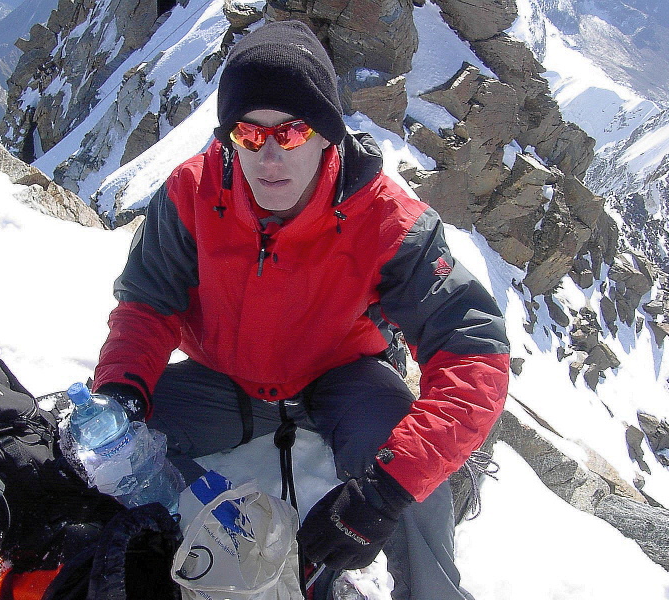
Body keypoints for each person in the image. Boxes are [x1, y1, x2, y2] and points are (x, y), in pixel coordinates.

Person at [92, 19, 509, 600]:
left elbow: (474, 350)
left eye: (290, 134)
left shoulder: (385, 219)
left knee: (417, 478)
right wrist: (123, 392)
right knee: (107, 454)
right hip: (225, 380)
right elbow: (146, 302)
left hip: (342, 381)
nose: (267, 157)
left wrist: (384, 493)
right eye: (247, 134)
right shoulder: (194, 192)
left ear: (326, 134)